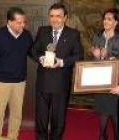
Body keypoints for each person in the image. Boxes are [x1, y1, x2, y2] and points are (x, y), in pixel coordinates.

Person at [32, 3, 84, 140]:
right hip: (43, 83)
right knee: (41, 118)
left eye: (58, 16)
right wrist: (40, 58)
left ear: (65, 17)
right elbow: (33, 50)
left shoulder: (73, 34)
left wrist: (62, 62)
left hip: (61, 84)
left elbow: (79, 56)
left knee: (58, 119)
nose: (55, 19)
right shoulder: (42, 31)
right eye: (52, 16)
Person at [0, 7, 33, 140]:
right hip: (0, 82)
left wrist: (45, 58)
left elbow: (33, 53)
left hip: (20, 82)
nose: (23, 25)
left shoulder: (26, 35)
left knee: (17, 114)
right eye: (19, 22)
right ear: (9, 22)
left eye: (24, 22)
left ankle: (12, 137)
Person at [90, 8, 119, 139]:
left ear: (116, 22)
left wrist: (112, 58)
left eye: (109, 19)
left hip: (115, 82)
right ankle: (102, 136)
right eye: (104, 19)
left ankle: (116, 135)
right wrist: (96, 56)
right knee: (103, 111)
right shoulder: (97, 36)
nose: (105, 21)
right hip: (100, 81)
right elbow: (92, 62)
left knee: (115, 113)